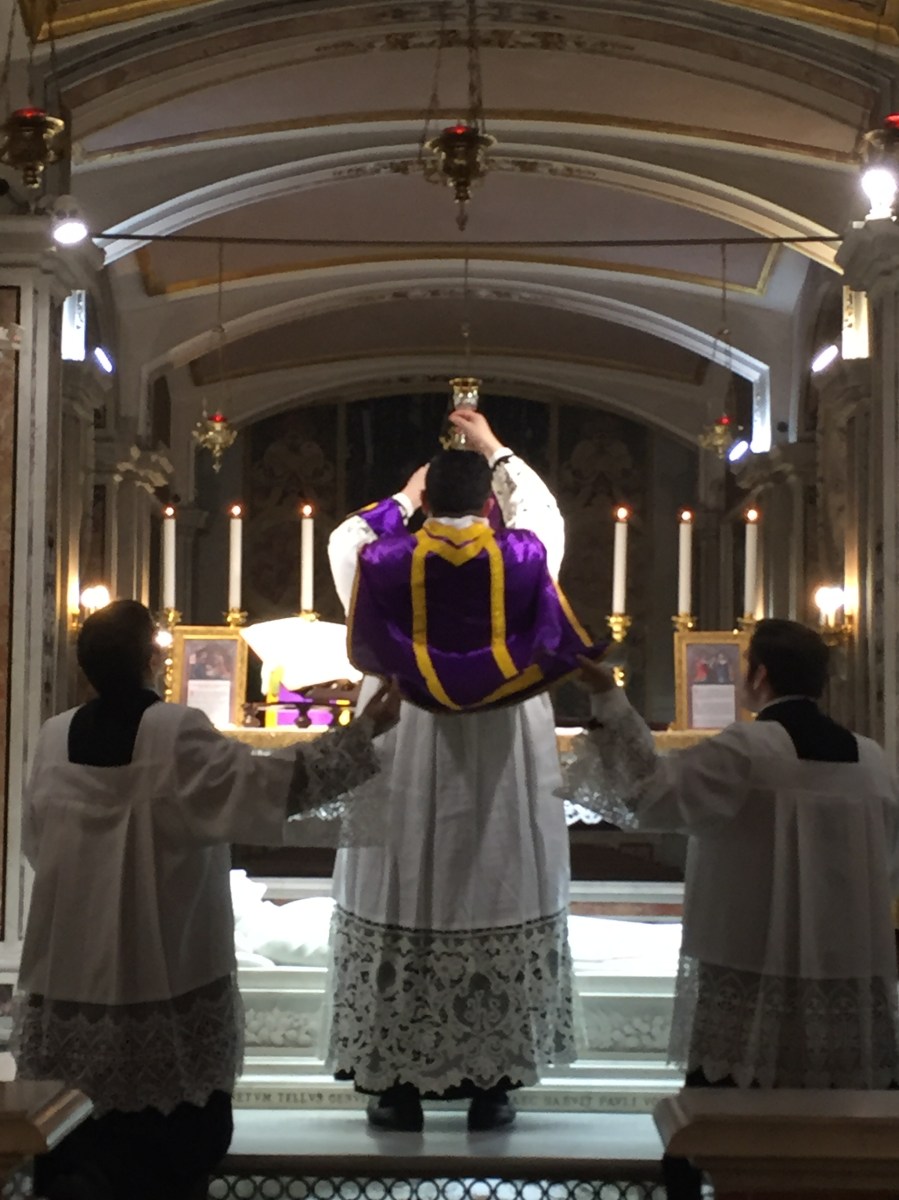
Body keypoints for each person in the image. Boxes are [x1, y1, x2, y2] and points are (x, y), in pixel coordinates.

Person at [14, 600, 399, 1200]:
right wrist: (364, 732)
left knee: (78, 1150)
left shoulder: (52, 737)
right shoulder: (174, 733)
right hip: (164, 975)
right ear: (151, 659)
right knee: (165, 1159)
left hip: (69, 973)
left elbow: (39, 846)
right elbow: (270, 785)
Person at [326, 407, 604, 1133]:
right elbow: (543, 511)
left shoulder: (382, 560)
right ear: (489, 504)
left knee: (401, 882)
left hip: (405, 735)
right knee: (494, 877)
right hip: (500, 745)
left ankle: (396, 1087)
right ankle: (493, 1085)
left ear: (426, 501)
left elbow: (344, 538)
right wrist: (496, 450)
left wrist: (401, 498)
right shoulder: (525, 554)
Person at [562, 618, 899, 1200]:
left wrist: (607, 697)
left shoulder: (747, 750)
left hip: (749, 971)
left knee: (718, 1118)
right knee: (844, 1125)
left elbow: (650, 793)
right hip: (847, 976)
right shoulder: (873, 761)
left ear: (759, 675)